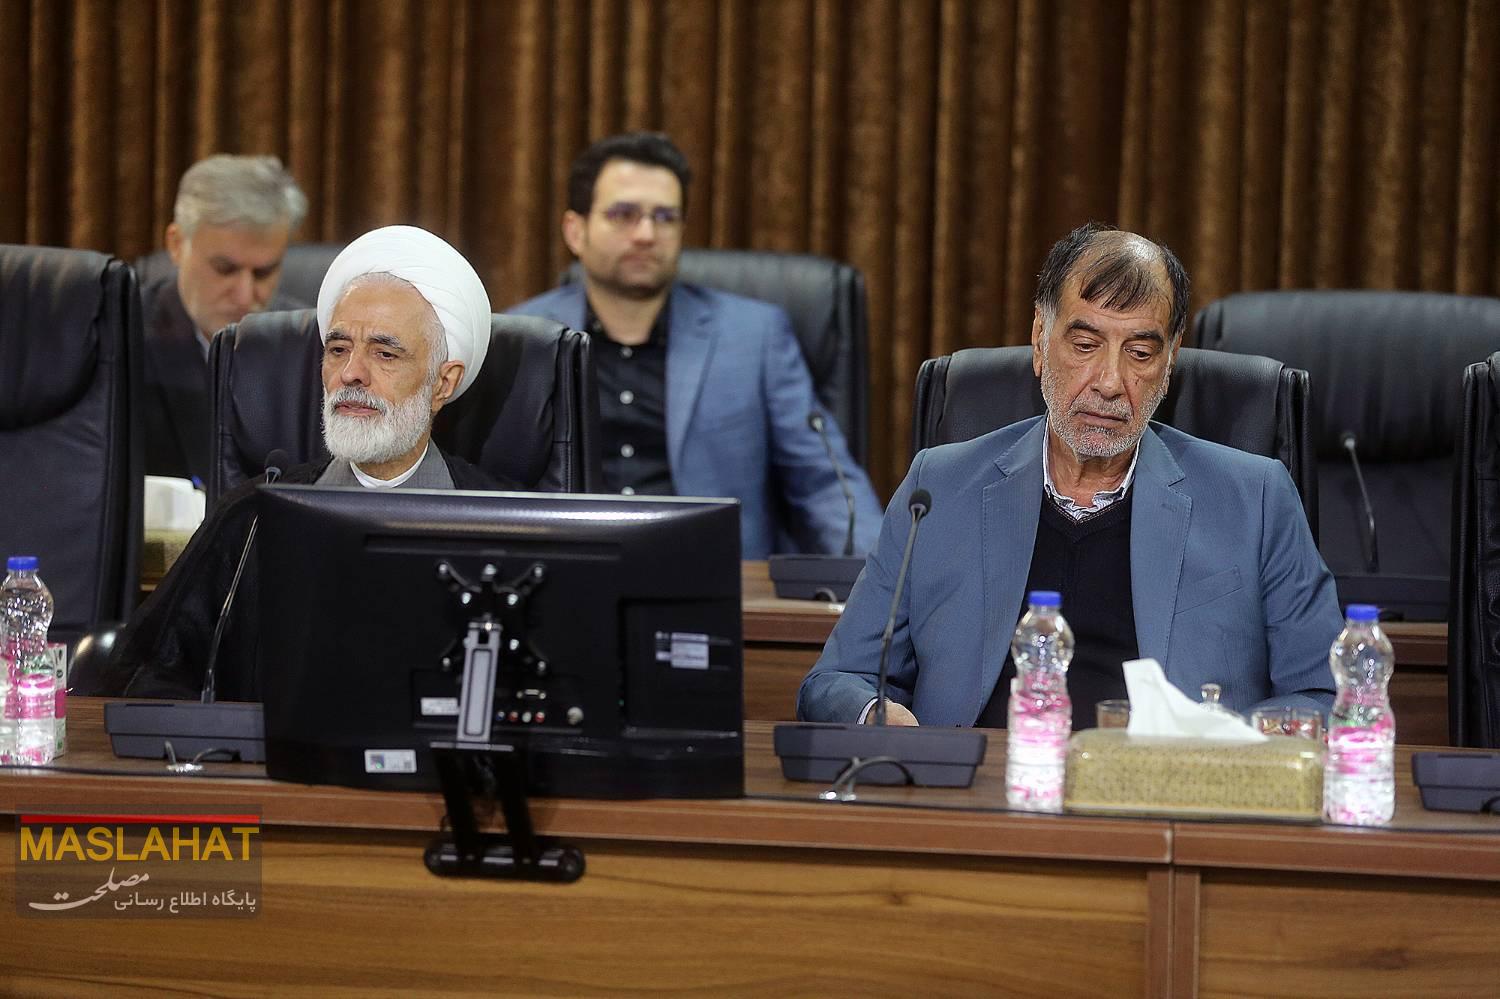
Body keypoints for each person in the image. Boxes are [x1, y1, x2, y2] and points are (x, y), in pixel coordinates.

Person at [797, 222, 1340, 729]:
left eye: (1140, 353)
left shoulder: (1255, 499)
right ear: (1040, 340)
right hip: (976, 787)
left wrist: (1229, 749)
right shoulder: (937, 489)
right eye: (1085, 345)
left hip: (1165, 792)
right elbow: (836, 681)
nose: (1109, 381)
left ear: (1170, 361)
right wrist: (876, 716)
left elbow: (1325, 694)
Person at [102, 225, 516, 700]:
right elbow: (142, 675)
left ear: (443, 383)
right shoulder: (252, 519)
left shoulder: (504, 528)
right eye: (338, 349)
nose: (351, 373)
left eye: (385, 353)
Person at [508, 131, 882, 559]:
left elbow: (824, 485)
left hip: (714, 578)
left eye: (665, 217)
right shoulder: (525, 338)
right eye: (623, 214)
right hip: (569, 574)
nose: (646, 234)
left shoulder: (755, 337)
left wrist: (883, 579)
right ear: (576, 231)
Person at [141, 154, 310, 483]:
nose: (245, 296)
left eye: (263, 272)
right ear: (176, 245)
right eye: (225, 269)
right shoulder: (123, 337)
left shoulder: (306, 343)